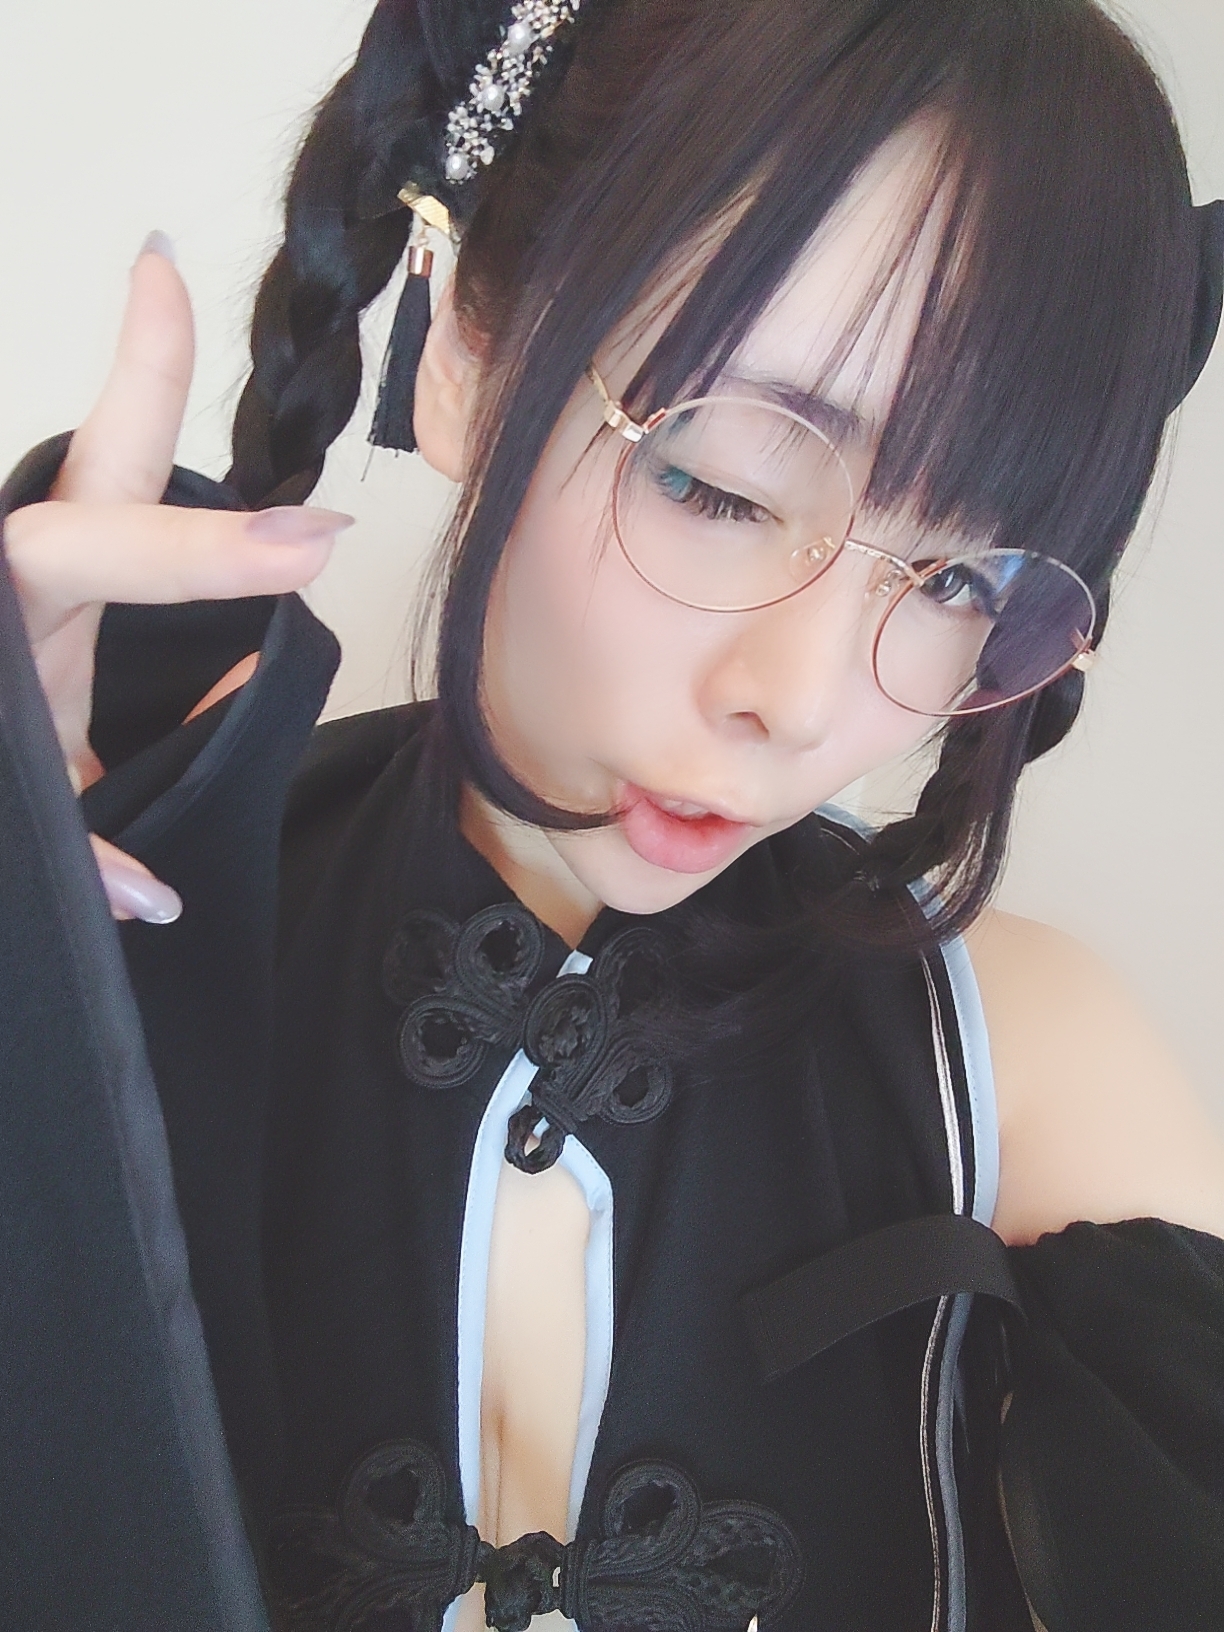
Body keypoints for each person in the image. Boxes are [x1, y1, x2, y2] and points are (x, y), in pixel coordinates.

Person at [1, 0, 1223, 1628]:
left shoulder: (1027, 1057)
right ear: (464, 349)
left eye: (960, 582)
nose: (801, 699)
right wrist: (40, 1044)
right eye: (718, 485)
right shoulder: (141, 919)